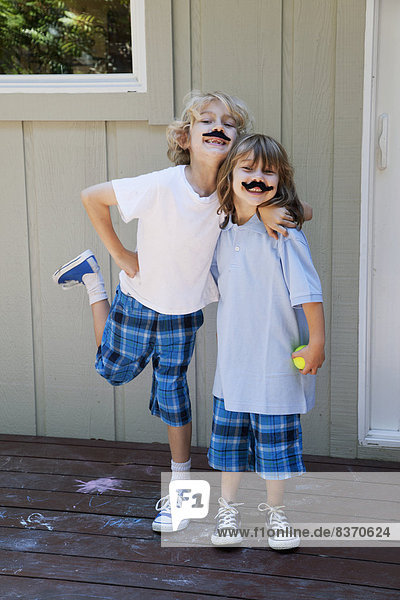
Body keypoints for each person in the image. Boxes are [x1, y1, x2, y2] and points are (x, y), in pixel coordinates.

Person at [52, 91, 311, 534]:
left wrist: (268, 209)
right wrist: (122, 256)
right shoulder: (161, 184)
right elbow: (91, 197)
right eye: (205, 120)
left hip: (184, 313)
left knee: (174, 398)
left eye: (228, 123)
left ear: (236, 142)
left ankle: (181, 493)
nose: (218, 126)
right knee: (112, 371)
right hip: (139, 298)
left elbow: (303, 211)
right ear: (185, 137)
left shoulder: (236, 196)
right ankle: (93, 280)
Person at [208, 133, 325, 550]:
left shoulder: (284, 232)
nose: (258, 177)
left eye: (268, 171)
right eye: (248, 168)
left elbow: (308, 292)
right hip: (234, 363)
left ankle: (276, 513)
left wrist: (317, 343)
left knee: (276, 447)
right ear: (230, 174)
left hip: (277, 359)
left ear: (281, 179)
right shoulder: (218, 229)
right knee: (230, 448)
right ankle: (228, 509)